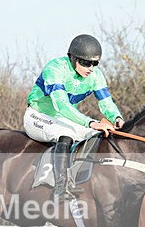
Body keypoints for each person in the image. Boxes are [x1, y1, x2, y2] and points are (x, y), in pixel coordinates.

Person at [24, 34, 124, 201]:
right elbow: (61, 105)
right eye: (86, 63)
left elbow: (106, 103)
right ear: (72, 57)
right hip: (37, 116)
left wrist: (117, 119)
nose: (91, 68)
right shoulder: (55, 68)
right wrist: (90, 122)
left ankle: (84, 180)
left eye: (95, 63)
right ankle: (60, 188)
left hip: (63, 119)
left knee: (97, 135)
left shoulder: (96, 76)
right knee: (67, 134)